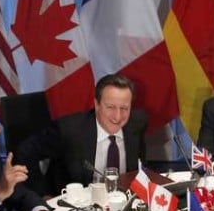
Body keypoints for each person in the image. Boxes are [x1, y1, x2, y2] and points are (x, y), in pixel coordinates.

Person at [16, 74, 148, 197]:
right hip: (76, 205)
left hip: (122, 201)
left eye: (124, 108)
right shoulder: (69, 130)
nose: (118, 116)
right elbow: (25, 152)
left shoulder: (138, 122)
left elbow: (140, 162)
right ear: (97, 105)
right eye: (110, 107)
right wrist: (43, 195)